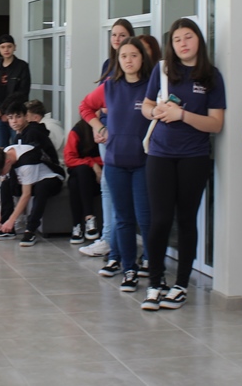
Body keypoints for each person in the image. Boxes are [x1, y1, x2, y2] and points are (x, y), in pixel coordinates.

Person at [140, 18, 225, 312]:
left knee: (187, 219)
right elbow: (146, 105)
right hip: (160, 154)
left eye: (188, 37)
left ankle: (180, 286)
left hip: (194, 157)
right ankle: (155, 283)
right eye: (177, 39)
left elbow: (216, 124)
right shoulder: (162, 70)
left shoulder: (211, 76)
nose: (183, 43)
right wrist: (157, 112)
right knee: (160, 220)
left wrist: (182, 116)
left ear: (199, 39)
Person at [81, 36, 154, 288]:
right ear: (118, 60)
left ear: (142, 58)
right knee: (123, 218)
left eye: (133, 55)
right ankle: (129, 269)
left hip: (143, 163)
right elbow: (85, 107)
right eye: (123, 56)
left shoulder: (151, 87)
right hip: (115, 162)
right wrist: (99, 126)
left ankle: (153, 268)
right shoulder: (109, 86)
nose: (128, 60)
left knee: (145, 218)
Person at [81, 18, 135, 259]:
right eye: (114, 34)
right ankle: (107, 238)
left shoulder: (136, 68)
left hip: (124, 134)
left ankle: (114, 240)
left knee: (116, 188)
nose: (117, 39)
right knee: (106, 185)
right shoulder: (107, 64)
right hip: (105, 131)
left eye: (122, 35)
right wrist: (97, 125)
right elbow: (94, 104)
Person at [0, 100, 65, 246]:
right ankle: (7, 227)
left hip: (50, 174)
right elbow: (13, 156)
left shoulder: (32, 133)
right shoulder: (19, 135)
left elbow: (27, 164)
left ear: (26, 116)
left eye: (18, 117)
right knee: (6, 183)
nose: (14, 121)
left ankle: (30, 230)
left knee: (40, 188)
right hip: (32, 171)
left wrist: (11, 219)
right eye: (10, 118)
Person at [62, 117, 102, 245]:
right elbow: (69, 159)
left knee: (75, 182)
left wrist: (95, 164)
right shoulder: (78, 130)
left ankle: (77, 227)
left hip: (97, 179)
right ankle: (89, 217)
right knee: (82, 171)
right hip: (82, 173)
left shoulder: (106, 127)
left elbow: (109, 156)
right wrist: (92, 164)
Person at [0, 35, 31, 148]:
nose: (6, 50)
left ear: (14, 47)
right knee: (0, 151)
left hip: (16, 115)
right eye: (3, 47)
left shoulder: (22, 66)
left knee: (17, 149)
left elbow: (22, 93)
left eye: (9, 46)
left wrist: (5, 111)